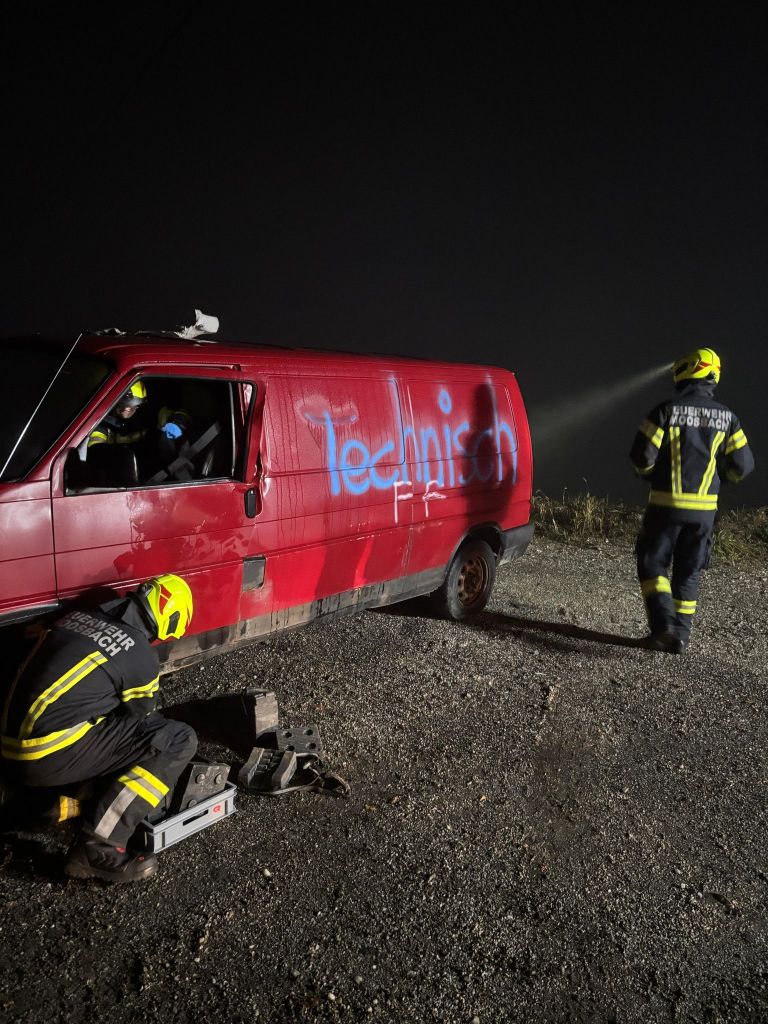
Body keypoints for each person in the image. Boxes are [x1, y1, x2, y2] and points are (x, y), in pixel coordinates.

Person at [0, 574, 196, 883]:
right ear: (170, 621)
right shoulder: (139, 653)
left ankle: (58, 801)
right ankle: (99, 846)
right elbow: (141, 718)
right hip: (44, 757)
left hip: (8, 748)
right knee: (174, 739)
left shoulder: (78, 617)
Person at [630, 347, 754, 654]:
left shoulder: (666, 410)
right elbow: (743, 466)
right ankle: (680, 638)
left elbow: (642, 456)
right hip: (704, 513)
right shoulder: (728, 417)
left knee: (652, 562)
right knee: (689, 570)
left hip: (666, 505)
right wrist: (719, 480)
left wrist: (649, 474)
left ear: (688, 370)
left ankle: (663, 626)